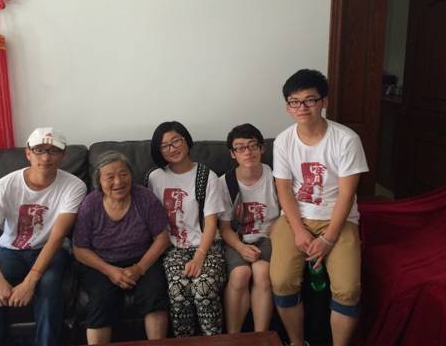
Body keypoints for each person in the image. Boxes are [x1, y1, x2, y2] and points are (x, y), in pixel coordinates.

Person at [269, 69, 369, 346]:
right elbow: (284, 189)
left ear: (324, 101)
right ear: (287, 107)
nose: (302, 107)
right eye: (294, 102)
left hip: (338, 219)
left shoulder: (346, 139)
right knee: (281, 281)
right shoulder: (283, 141)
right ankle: (298, 342)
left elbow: (347, 194)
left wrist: (328, 239)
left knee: (348, 290)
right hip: (295, 218)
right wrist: (299, 231)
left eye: (310, 100)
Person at [0, 127, 87, 346]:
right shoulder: (3, 187)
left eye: (53, 151)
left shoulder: (74, 186)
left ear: (63, 155)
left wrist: (30, 281)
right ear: (28, 153)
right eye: (39, 150)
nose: (46, 157)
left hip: (52, 250)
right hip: (11, 251)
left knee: (49, 285)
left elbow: (57, 237)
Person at [72, 151, 170, 345]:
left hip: (141, 258)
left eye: (123, 174)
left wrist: (139, 268)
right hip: (101, 263)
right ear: (99, 181)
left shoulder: (145, 197)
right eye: (110, 177)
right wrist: (110, 271)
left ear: (131, 175)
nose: (118, 181)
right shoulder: (91, 204)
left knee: (154, 294)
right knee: (101, 299)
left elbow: (162, 238)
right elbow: (80, 249)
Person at [147, 121, 226, 337]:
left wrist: (200, 256)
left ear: (187, 141)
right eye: (165, 146)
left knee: (204, 289)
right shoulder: (155, 178)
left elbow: (211, 223)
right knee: (178, 291)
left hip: (207, 246)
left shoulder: (206, 176)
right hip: (172, 249)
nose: (172, 148)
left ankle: (213, 340)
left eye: (176, 141)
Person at [218, 123, 279, 333]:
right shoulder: (225, 183)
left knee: (262, 272)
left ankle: (260, 337)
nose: (248, 152)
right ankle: (233, 337)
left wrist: (276, 228)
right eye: (240, 148)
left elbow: (287, 212)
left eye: (253, 146)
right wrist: (241, 248)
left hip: (268, 236)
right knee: (240, 274)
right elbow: (224, 228)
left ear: (262, 148)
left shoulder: (275, 176)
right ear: (232, 153)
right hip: (237, 238)